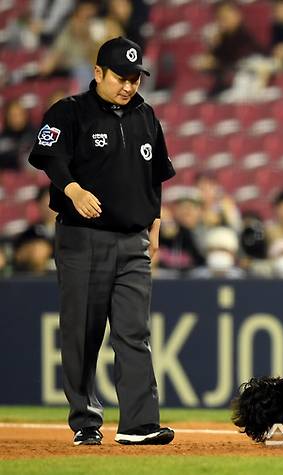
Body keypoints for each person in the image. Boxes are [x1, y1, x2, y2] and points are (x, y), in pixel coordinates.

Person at [28, 37, 176, 446]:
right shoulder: (71, 111)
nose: (129, 85)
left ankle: (139, 425)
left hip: (133, 241)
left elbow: (156, 176)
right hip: (83, 239)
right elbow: (48, 155)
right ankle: (86, 422)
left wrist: (156, 221)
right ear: (98, 73)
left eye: (135, 78)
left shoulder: (146, 116)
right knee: (83, 333)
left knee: (134, 332)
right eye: (121, 77)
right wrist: (72, 189)